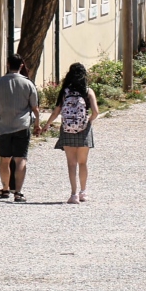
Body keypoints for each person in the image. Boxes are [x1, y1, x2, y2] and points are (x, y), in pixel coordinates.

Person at [0, 53, 41, 203]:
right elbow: (35, 107)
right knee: (20, 159)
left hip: (3, 126)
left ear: (8, 65)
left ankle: (5, 188)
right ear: (21, 66)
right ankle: (18, 192)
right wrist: (37, 124)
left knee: (4, 159)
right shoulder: (28, 84)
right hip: (22, 125)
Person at [44, 62, 97, 204]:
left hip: (67, 130)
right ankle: (83, 192)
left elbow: (56, 111)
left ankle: (73, 194)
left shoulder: (65, 92)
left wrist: (47, 124)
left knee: (71, 164)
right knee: (83, 163)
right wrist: (88, 121)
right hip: (84, 130)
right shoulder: (88, 91)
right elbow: (96, 111)